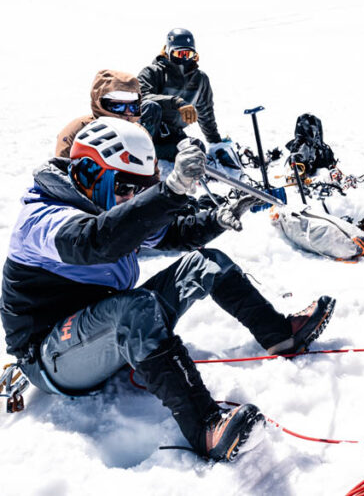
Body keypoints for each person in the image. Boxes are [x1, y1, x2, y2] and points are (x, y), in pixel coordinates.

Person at [1, 117, 335, 462]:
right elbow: (96, 241)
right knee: (135, 308)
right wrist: (171, 189)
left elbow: (166, 233)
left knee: (205, 263)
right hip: (50, 357)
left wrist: (216, 218)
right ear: (88, 172)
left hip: (104, 331)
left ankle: (279, 333)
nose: (131, 197)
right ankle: (205, 426)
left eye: (139, 189)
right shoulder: (41, 218)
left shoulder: (106, 204)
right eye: (126, 186)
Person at [139, 28, 224, 161]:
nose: (184, 58)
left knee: (197, 149)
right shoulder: (153, 72)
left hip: (172, 134)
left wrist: (216, 142)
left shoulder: (200, 79)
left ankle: (166, 157)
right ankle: (141, 156)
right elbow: (142, 98)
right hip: (148, 133)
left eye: (188, 54)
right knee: (150, 105)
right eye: (179, 54)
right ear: (168, 51)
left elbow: (206, 112)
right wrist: (176, 102)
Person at [55, 69, 163, 158]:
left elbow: (152, 173)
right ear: (101, 103)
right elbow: (59, 171)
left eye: (132, 106)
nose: (127, 112)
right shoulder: (78, 130)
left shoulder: (140, 133)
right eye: (118, 106)